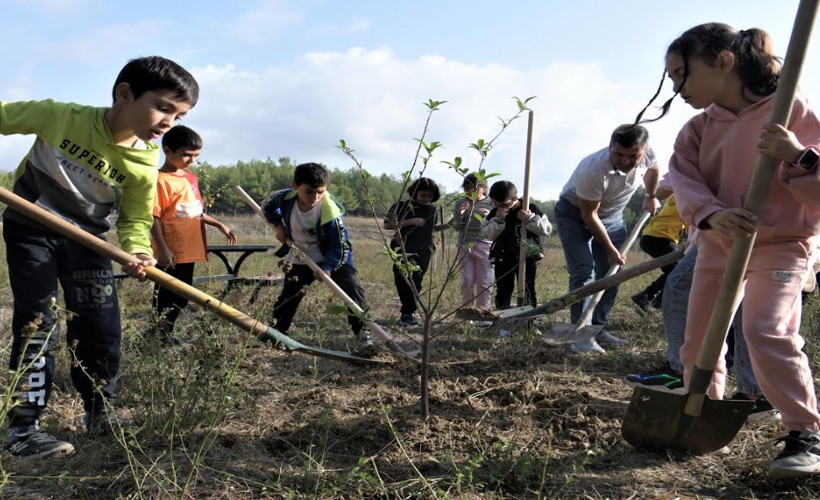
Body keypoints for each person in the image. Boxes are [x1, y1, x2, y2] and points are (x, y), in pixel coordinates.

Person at [1, 56, 199, 458]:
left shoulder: (144, 164)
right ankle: (23, 428)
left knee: (101, 326)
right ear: (124, 94)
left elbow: (135, 220)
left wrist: (138, 251)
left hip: (89, 244)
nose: (167, 123)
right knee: (38, 321)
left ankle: (100, 410)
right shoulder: (59, 116)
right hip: (30, 229)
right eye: (163, 107)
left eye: (177, 116)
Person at [658, 23, 820, 478]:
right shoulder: (697, 129)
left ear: (723, 62)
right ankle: (700, 418)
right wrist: (711, 215)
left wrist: (799, 156)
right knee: (699, 342)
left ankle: (805, 434)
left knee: (765, 329)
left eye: (681, 75)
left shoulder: (790, 110)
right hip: (718, 244)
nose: (677, 88)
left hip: (783, 243)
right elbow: (685, 181)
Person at [554, 124, 661, 354]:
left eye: (632, 156)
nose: (624, 161)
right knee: (583, 270)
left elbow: (653, 170)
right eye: (618, 154)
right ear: (610, 146)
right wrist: (612, 248)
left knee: (612, 274)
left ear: (643, 150)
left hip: (612, 217)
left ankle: (598, 329)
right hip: (575, 214)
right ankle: (580, 333)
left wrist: (650, 196)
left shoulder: (648, 155)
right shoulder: (593, 170)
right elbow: (589, 216)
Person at [262, 162, 372, 347]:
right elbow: (267, 207)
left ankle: (363, 333)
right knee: (289, 294)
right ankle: (277, 332)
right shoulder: (285, 198)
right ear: (295, 186)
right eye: (310, 192)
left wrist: (327, 268)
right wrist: (279, 225)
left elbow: (341, 246)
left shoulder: (330, 213)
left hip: (333, 258)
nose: (315, 197)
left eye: (320, 192)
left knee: (352, 290)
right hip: (300, 255)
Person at [150, 125, 237, 343]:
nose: (191, 160)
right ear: (168, 151)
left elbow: (194, 211)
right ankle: (160, 334)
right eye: (186, 155)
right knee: (167, 294)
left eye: (196, 155)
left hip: (190, 249)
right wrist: (162, 248)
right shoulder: (160, 180)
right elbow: (154, 216)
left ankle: (162, 332)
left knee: (183, 295)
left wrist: (218, 224)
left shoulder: (190, 178)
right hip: (171, 249)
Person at [384, 177, 448, 327]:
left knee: (417, 280)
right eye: (423, 195)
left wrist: (448, 226)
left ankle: (409, 313)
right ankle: (407, 313)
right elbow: (387, 225)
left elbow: (430, 228)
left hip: (423, 250)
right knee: (402, 280)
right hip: (402, 249)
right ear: (415, 193)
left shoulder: (433, 209)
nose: (426, 199)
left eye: (429, 197)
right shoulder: (401, 206)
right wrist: (410, 222)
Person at [480, 180, 552, 312]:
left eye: (504, 204)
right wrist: (498, 219)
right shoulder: (495, 213)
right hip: (503, 257)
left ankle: (528, 322)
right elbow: (486, 234)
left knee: (528, 289)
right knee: (503, 290)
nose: (501, 207)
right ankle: (502, 322)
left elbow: (546, 230)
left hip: (527, 257)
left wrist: (530, 218)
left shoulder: (531, 208)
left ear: (514, 198)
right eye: (496, 204)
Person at [631, 179, 686, 312]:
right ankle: (649, 297)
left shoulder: (677, 196)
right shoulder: (687, 199)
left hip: (652, 236)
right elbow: (692, 223)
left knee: (674, 269)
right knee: (678, 270)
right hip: (660, 238)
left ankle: (656, 299)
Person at [451, 173, 495, 313]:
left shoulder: (492, 203)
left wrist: (490, 216)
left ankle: (482, 312)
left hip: (486, 245)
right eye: (467, 188)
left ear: (483, 188)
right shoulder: (460, 203)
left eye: (473, 188)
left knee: (484, 282)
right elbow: (457, 227)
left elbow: (498, 225)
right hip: (465, 245)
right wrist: (461, 214)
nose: (470, 191)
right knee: (467, 281)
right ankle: (467, 312)